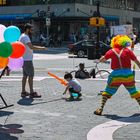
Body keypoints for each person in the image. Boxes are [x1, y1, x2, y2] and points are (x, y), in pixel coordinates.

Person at [94, 35, 140, 115]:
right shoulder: (128, 51)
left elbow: (103, 60)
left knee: (107, 91)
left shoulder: (112, 51)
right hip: (128, 75)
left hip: (116, 75)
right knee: (133, 91)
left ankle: (100, 109)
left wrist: (101, 59)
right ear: (125, 42)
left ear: (114, 42)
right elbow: (137, 61)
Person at [19, 23, 47, 98]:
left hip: (24, 59)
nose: (32, 30)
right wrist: (42, 48)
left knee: (25, 76)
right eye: (31, 29)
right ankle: (31, 92)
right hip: (27, 60)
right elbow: (31, 47)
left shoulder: (22, 36)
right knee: (31, 76)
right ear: (27, 29)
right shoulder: (26, 37)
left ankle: (23, 92)